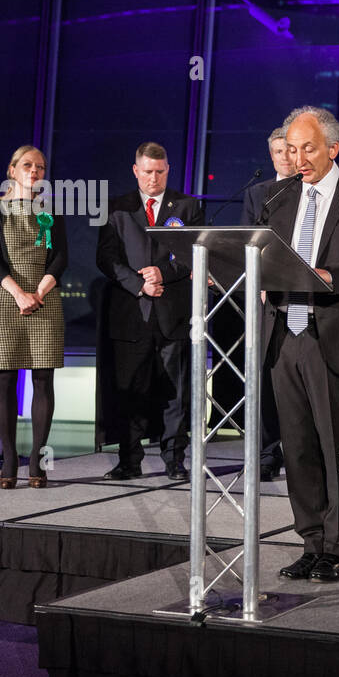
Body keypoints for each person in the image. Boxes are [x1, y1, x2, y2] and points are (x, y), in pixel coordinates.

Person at [263, 105, 339, 583]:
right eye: (292, 149)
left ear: (333, 148)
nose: (298, 158)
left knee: (337, 445)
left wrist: (330, 276)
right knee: (296, 447)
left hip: (331, 334)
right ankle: (311, 542)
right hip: (282, 335)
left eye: (308, 148)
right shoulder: (277, 197)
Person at [96, 142, 205, 481]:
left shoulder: (187, 207)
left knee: (176, 391)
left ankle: (175, 460)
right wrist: (139, 283)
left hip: (173, 314)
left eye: (159, 172)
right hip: (132, 314)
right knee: (131, 389)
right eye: (147, 172)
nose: (153, 178)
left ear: (168, 170)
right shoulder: (116, 208)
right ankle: (130, 460)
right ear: (135, 170)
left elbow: (194, 253)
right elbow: (106, 258)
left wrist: (164, 274)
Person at [0, 145, 68, 489]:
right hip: (6, 300)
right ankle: (9, 459)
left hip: (44, 299)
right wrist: (19, 294)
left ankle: (36, 461)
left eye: (40, 167)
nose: (35, 172)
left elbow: (60, 259)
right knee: (5, 378)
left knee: (43, 378)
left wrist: (38, 294)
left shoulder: (50, 211)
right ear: (12, 169)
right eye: (28, 165)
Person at [240, 126, 294, 481]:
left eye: (290, 151)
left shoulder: (313, 191)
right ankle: (266, 454)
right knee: (263, 379)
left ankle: (304, 453)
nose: (285, 158)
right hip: (264, 304)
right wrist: (258, 280)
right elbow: (247, 243)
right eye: (278, 152)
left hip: (301, 298)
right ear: (271, 155)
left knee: (298, 378)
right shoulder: (257, 193)